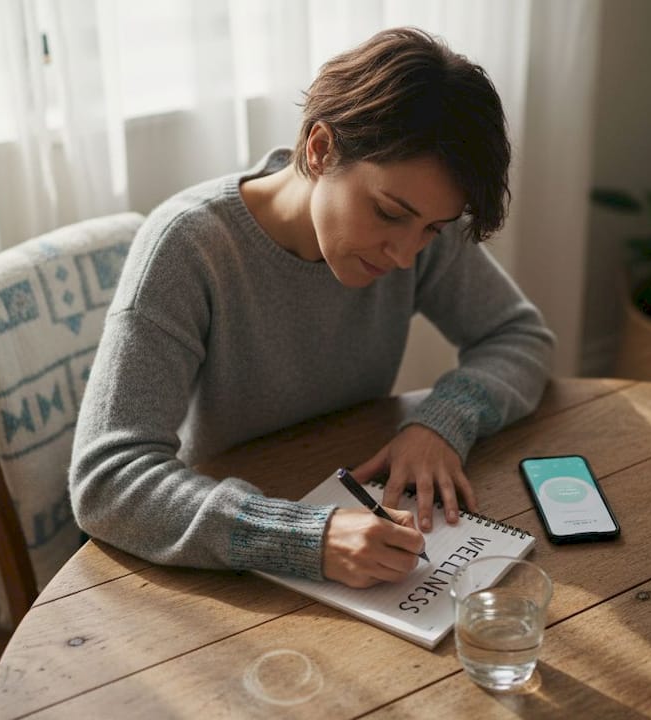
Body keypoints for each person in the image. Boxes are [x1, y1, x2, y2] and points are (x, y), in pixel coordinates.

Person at [70, 27, 554, 589]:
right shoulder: (188, 247)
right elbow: (108, 480)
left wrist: (445, 421)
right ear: (320, 149)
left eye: (433, 229)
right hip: (224, 571)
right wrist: (307, 537)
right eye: (389, 213)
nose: (404, 255)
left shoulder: (420, 225)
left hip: (349, 506)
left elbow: (519, 335)